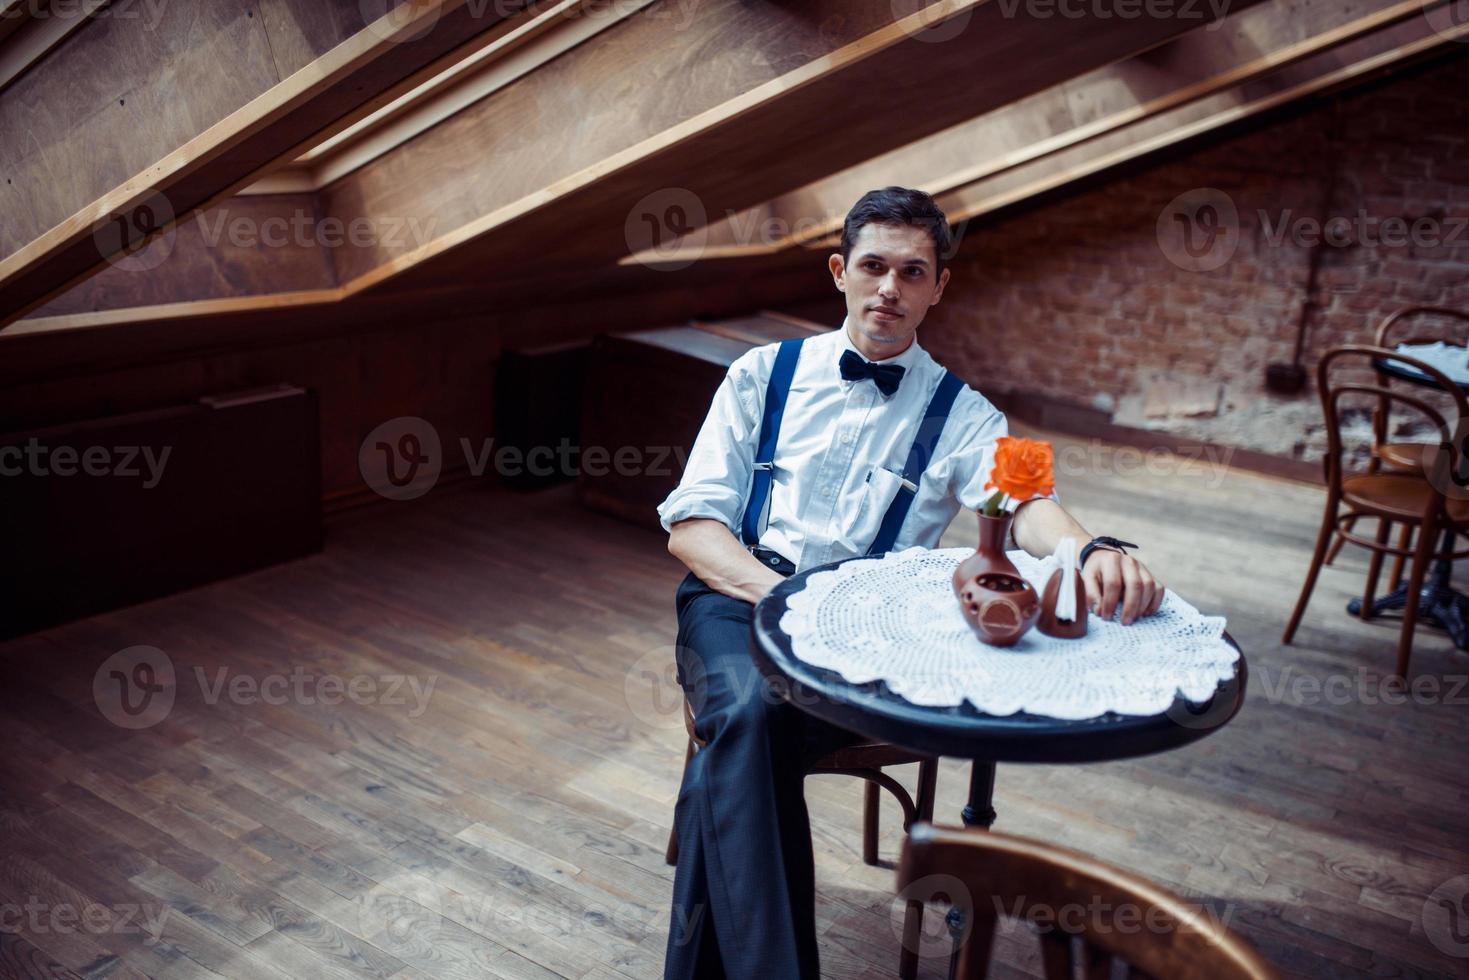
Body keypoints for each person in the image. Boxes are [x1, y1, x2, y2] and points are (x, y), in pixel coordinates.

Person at [655, 186, 1164, 979]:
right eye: (873, 266)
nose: (889, 287)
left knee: (744, 735)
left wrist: (1090, 548)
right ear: (839, 272)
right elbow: (692, 528)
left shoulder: (963, 413)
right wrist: (780, 598)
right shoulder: (761, 374)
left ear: (938, 286)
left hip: (864, 633)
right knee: (752, 711)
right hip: (736, 599)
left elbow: (1027, 505)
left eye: (911, 271)